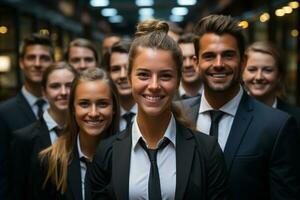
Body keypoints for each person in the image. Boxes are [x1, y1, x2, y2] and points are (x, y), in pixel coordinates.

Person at [89, 19, 228, 200]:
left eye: (165, 75)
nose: (154, 85)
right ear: (129, 78)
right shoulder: (107, 152)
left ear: (178, 80)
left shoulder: (207, 151)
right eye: (143, 75)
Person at [179, 15, 300, 199]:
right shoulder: (177, 115)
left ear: (243, 61)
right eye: (209, 56)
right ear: (196, 63)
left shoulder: (277, 126)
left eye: (228, 55)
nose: (218, 64)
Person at [29, 68, 120, 200]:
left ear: (114, 109)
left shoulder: (128, 157)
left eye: (102, 103)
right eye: (84, 104)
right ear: (72, 109)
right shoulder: (50, 161)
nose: (93, 113)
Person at [10, 62, 77, 200]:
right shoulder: (24, 138)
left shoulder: (85, 133)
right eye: (55, 86)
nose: (63, 92)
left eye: (69, 86)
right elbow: (18, 191)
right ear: (44, 91)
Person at [0, 33, 54, 199]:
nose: (37, 64)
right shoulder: (4, 112)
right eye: (31, 57)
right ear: (22, 63)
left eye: (44, 58)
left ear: (53, 63)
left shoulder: (62, 110)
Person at [242, 41, 300, 130]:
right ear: (242, 73)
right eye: (252, 69)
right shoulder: (231, 113)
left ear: (279, 75)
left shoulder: (296, 117)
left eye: (267, 70)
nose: (259, 77)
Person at [103, 40, 137, 131]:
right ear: (108, 73)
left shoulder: (154, 114)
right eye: (116, 69)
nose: (122, 75)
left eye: (128, 68)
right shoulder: (102, 118)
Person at [176, 33, 203, 100]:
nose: (188, 64)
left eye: (193, 58)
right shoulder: (167, 96)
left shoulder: (216, 93)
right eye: (182, 59)